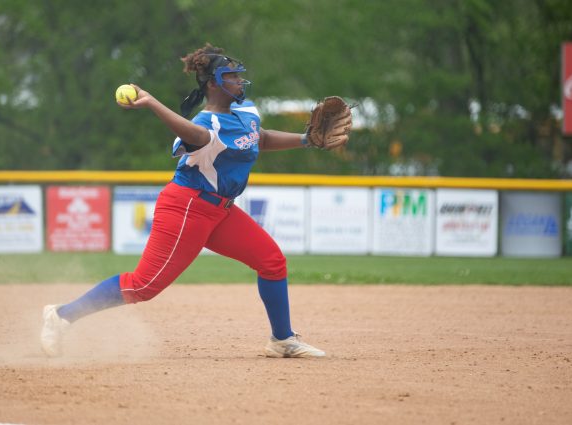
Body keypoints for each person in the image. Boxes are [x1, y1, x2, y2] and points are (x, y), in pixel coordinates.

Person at [41, 43, 350, 358]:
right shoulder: (204, 125)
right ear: (213, 83)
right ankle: (62, 315)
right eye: (232, 76)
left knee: (271, 262)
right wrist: (152, 103)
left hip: (221, 210)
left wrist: (304, 140)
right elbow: (195, 136)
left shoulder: (246, 111)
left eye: (239, 75)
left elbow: (261, 137)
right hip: (187, 207)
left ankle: (282, 340)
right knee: (142, 285)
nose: (240, 81)